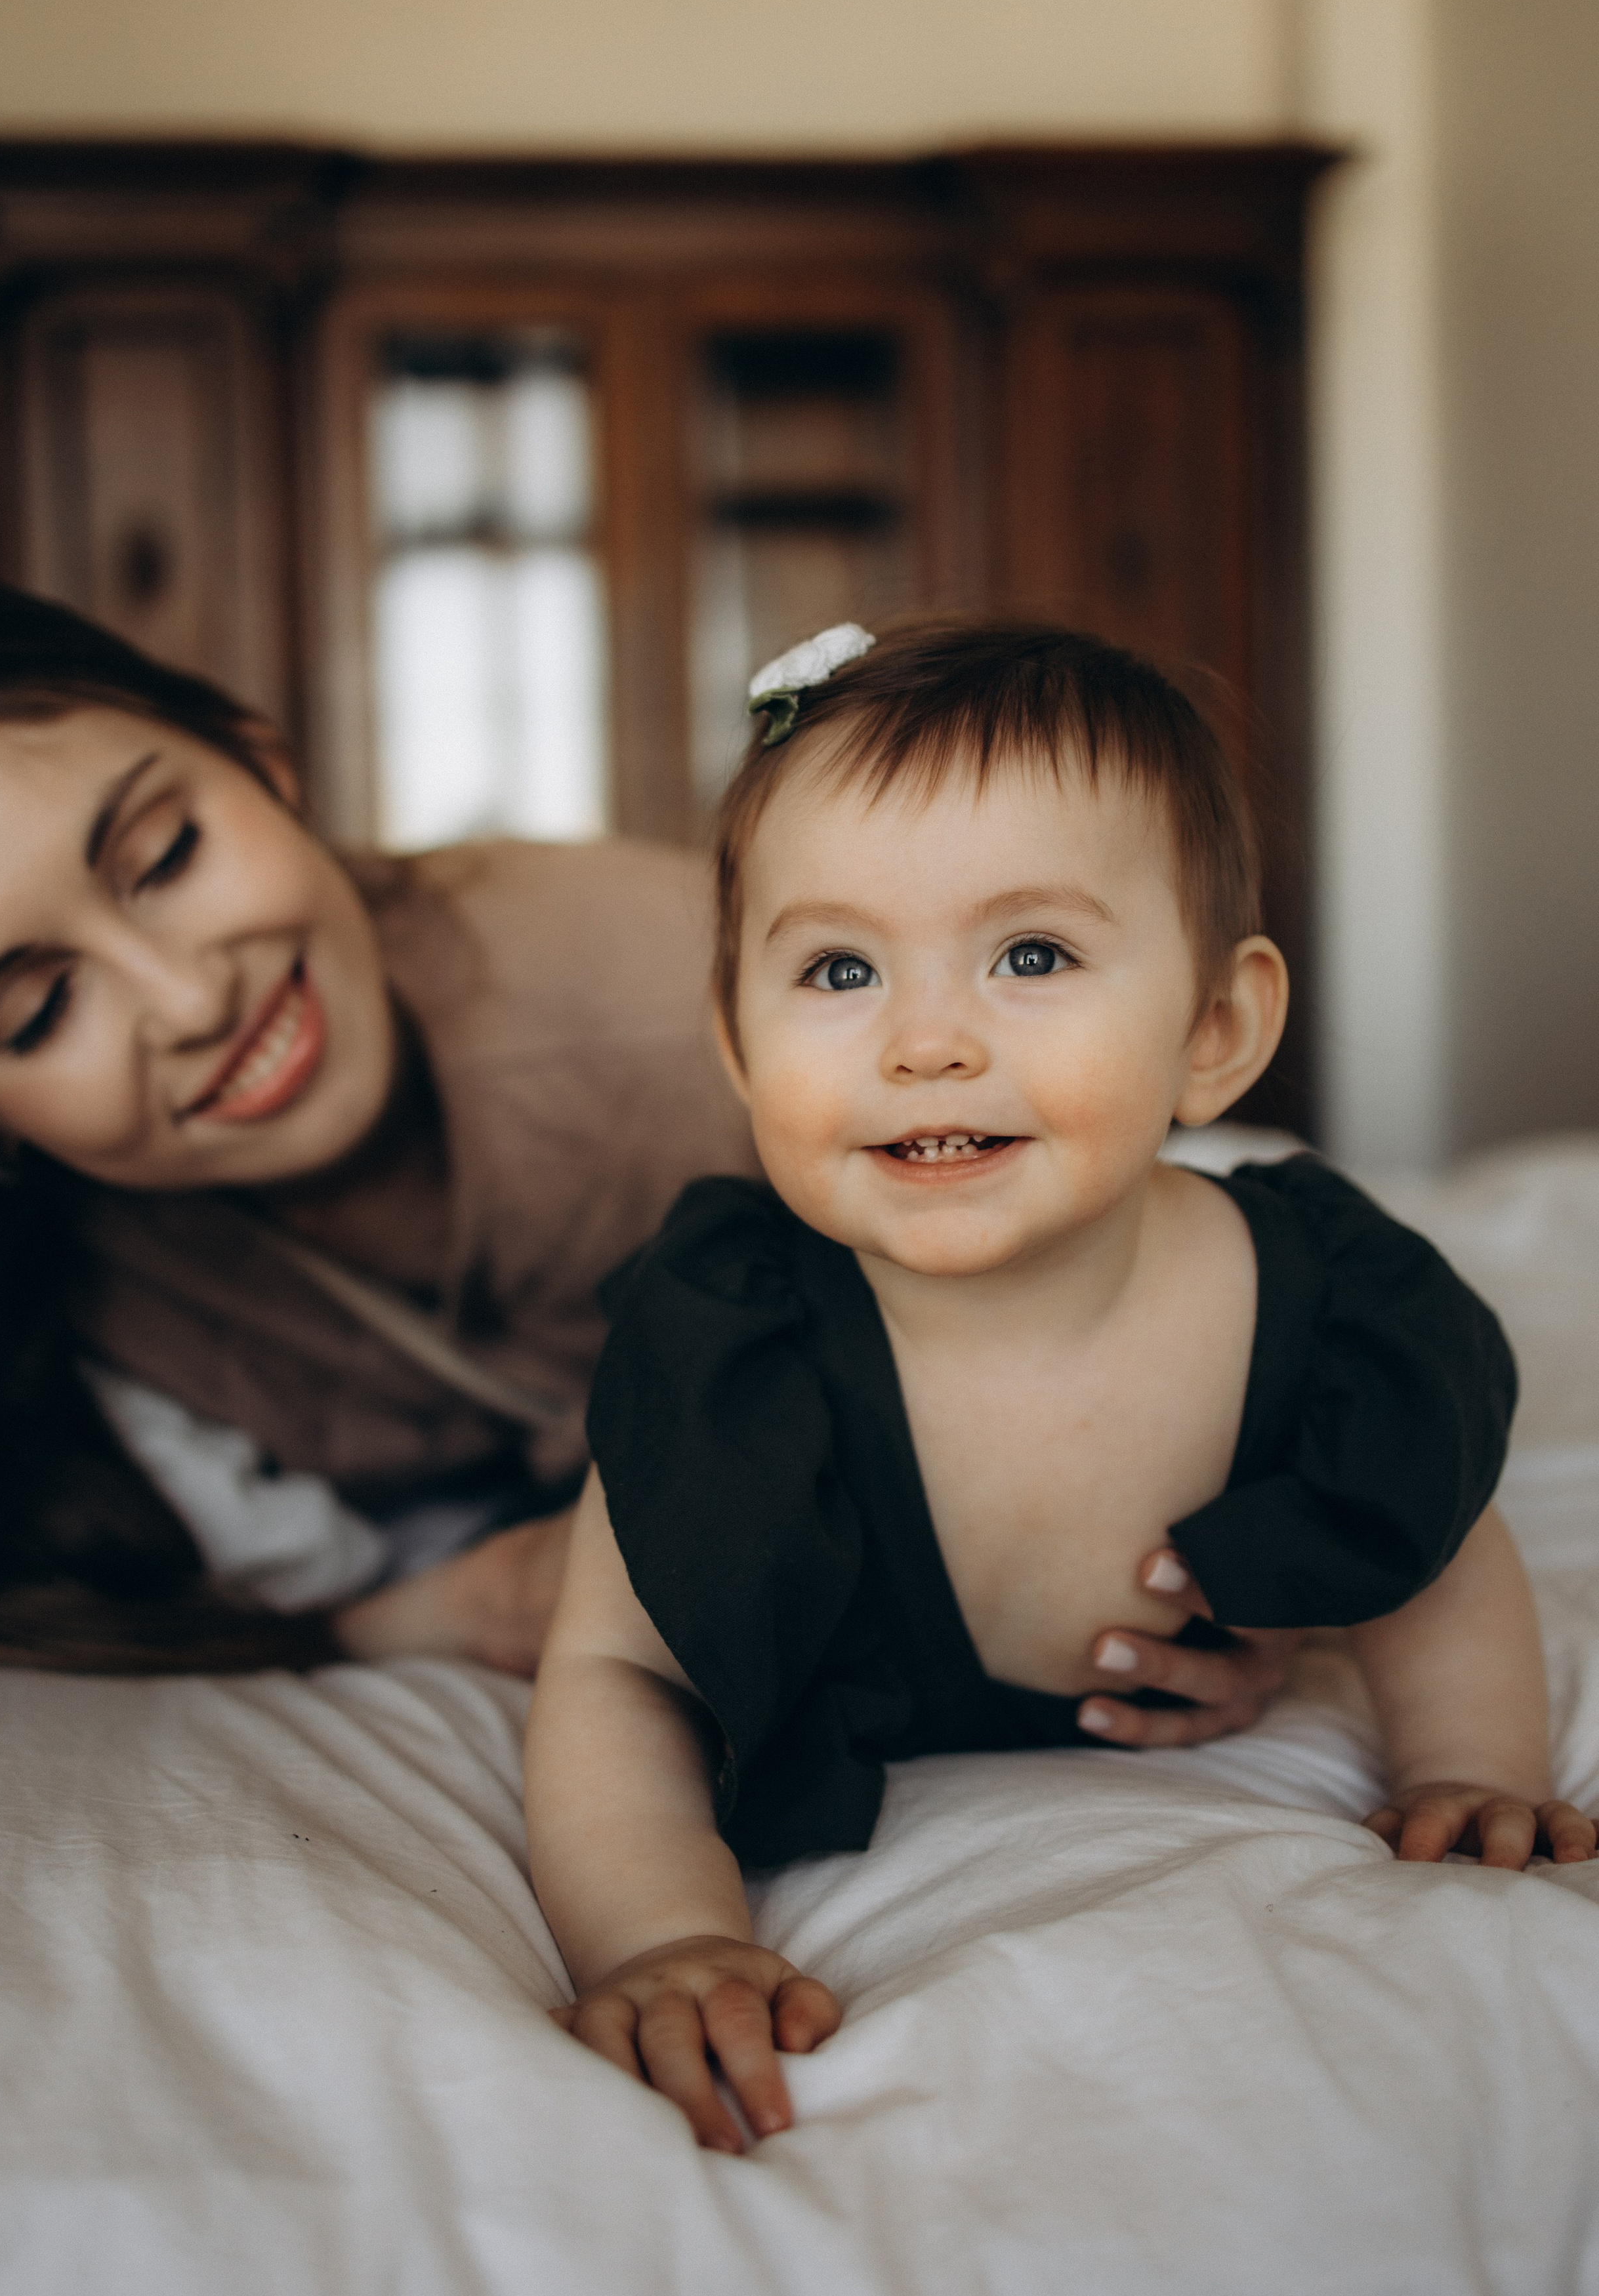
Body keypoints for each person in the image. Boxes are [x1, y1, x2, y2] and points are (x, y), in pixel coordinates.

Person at [523, 617, 1598, 2155]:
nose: (927, 1041)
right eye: (837, 968)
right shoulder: (735, 1353)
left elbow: (1423, 1535)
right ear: (737, 1048)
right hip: (811, 1648)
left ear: (1211, 1031)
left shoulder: (1306, 1303)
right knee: (529, 1594)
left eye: (1029, 955)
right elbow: (622, 1677)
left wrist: (1467, 1769)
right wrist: (662, 1934)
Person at [0, 577, 1285, 1737]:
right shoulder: (52, 1276)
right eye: (36, 1013)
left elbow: (1134, 1300)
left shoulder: (672, 1036)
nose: (187, 999)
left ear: (258, 760)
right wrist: (419, 1614)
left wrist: (1243, 1552)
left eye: (165, 854)